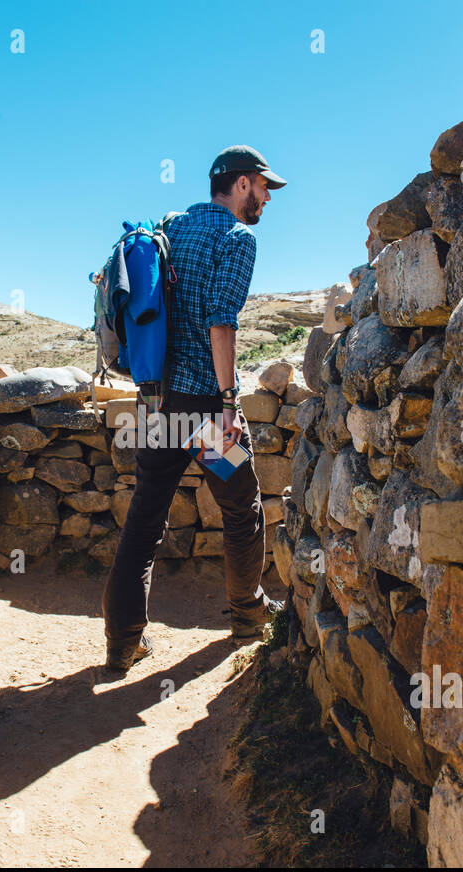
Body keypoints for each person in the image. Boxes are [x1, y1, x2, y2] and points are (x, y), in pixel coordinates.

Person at [101, 145, 289, 672]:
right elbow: (221, 323)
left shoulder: (171, 226)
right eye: (264, 187)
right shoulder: (237, 237)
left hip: (159, 407)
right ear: (242, 184)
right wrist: (230, 402)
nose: (268, 198)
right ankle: (248, 614)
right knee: (241, 509)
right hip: (207, 414)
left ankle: (123, 641)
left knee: (144, 518)